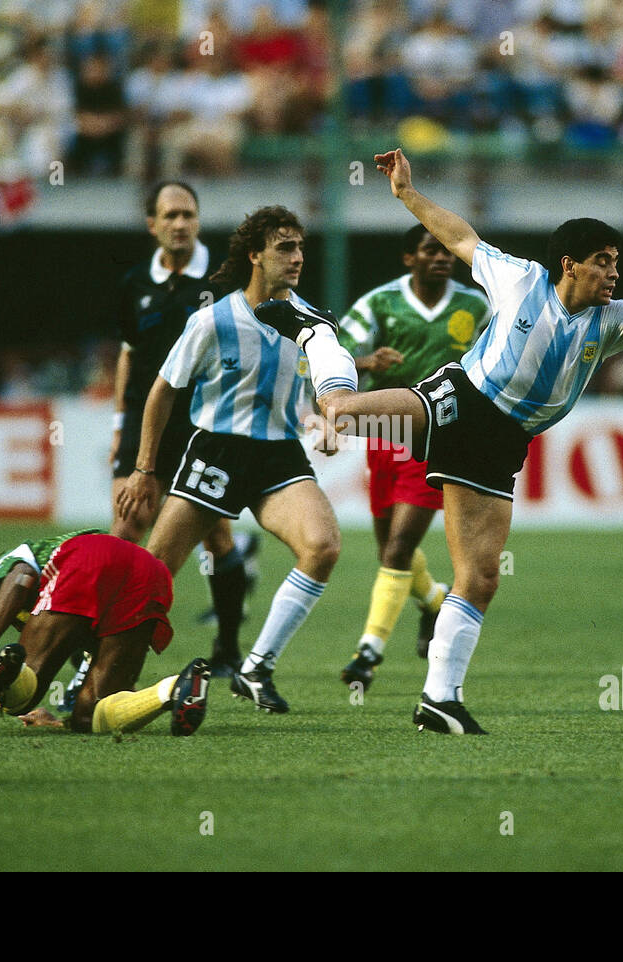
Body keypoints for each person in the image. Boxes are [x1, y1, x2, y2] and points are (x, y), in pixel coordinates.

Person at [260, 147, 623, 734]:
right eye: (604, 260)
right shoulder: (521, 278)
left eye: (617, 262)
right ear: (569, 264)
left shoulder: (610, 318)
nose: (615, 272)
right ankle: (316, 331)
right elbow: (459, 235)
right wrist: (404, 193)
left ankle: (438, 700)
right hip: (461, 401)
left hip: (504, 443)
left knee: (482, 576)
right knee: (342, 412)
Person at [116, 205, 348, 715]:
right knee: (154, 577)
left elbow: (326, 387)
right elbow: (162, 392)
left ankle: (256, 668)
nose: (297, 257)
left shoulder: (313, 322)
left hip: (278, 457)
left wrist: (328, 421)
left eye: (301, 247)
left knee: (323, 546)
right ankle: (99, 680)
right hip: (217, 452)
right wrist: (144, 468)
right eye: (285, 247)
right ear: (256, 256)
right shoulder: (212, 320)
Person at [111, 181, 257, 679]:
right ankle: (106, 652)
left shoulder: (224, 281)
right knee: (126, 530)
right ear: (152, 223)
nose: (179, 223)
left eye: (188, 214)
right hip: (142, 424)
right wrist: (118, 427)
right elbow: (128, 356)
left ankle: (229, 650)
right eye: (169, 215)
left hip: (202, 425)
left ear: (197, 220)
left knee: (216, 539)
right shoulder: (134, 283)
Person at [336, 224, 490, 691]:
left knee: (400, 547)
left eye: (447, 251)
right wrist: (364, 364)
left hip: (439, 437)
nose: (442, 257)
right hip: (384, 433)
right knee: (390, 551)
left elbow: (499, 356)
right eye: (430, 250)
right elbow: (333, 353)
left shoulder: (477, 307)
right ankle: (434, 598)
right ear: (410, 259)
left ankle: (368, 652)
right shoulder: (380, 303)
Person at [0, 530, 211, 736]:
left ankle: (6, 677)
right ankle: (174, 689)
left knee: (26, 691)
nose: (19, 622)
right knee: (90, 715)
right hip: (151, 572)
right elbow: (116, 681)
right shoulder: (80, 624)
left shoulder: (8, 566)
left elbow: (22, 577)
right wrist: (58, 723)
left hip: (87, 559)